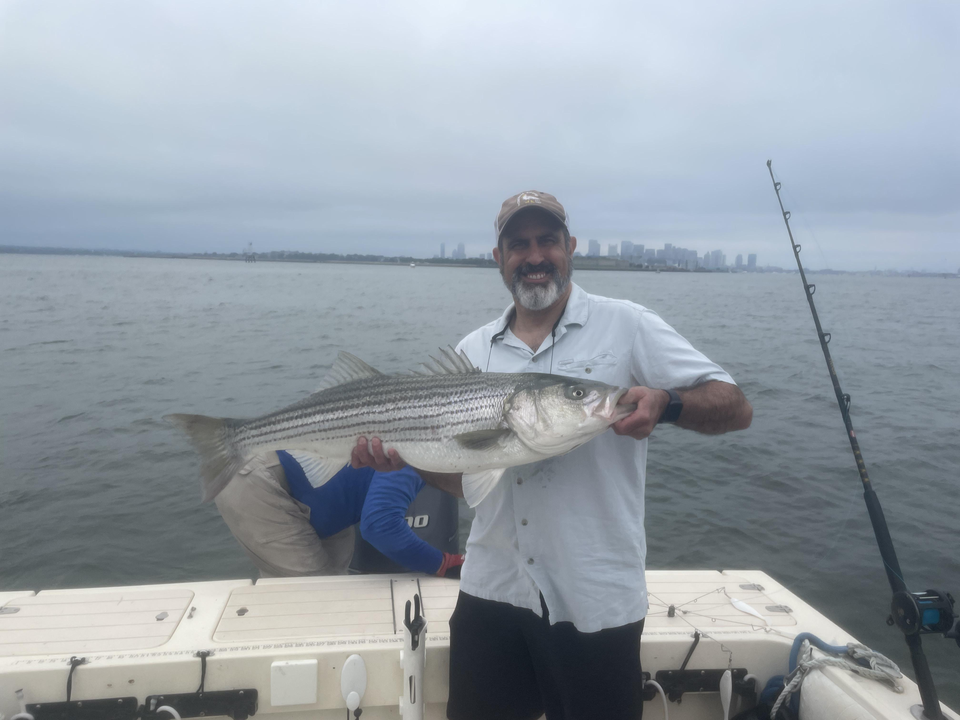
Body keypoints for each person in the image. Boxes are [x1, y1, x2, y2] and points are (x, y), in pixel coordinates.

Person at [352, 190, 752, 720]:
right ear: (499, 258)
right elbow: (466, 481)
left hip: (595, 599)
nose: (535, 256)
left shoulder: (627, 325)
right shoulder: (473, 351)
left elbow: (736, 406)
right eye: (519, 244)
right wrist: (405, 458)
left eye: (548, 241)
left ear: (571, 247)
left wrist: (668, 403)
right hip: (491, 592)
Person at [213, 450, 465, 578]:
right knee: (319, 599)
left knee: (337, 588)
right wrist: (443, 564)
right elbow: (380, 525)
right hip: (258, 479)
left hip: (319, 500)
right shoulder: (421, 455)